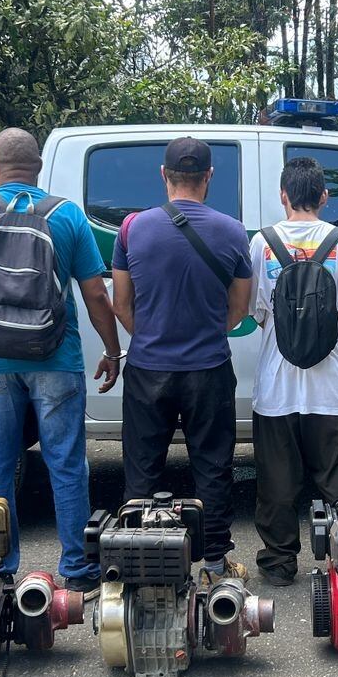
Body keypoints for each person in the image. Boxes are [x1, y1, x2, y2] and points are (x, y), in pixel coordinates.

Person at [0, 128, 122, 595]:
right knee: (67, 465)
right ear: (37, 168)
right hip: (57, 358)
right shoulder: (67, 216)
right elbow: (96, 293)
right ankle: (76, 570)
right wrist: (113, 351)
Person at [111, 137, 252, 582]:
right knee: (212, 467)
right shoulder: (232, 231)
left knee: (143, 468)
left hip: (148, 367)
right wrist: (204, 332)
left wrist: (152, 336)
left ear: (163, 174)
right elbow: (240, 309)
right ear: (209, 176)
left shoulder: (131, 228)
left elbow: (121, 304)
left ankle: (144, 563)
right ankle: (213, 564)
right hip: (208, 368)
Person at [248, 157, 338, 586]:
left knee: (277, 483)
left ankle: (279, 562)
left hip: (276, 387)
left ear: (283, 196)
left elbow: (259, 312)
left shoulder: (261, 244)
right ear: (324, 197)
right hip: (334, 387)